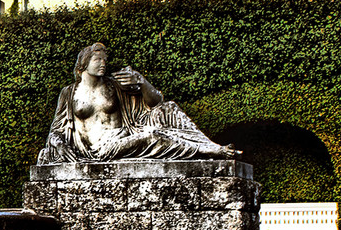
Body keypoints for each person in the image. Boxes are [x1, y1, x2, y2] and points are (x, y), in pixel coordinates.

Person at [37, 43, 238, 163]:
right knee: (153, 137)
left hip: (125, 134)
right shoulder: (69, 93)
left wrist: (142, 82)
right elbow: (56, 130)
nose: (103, 63)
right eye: (98, 59)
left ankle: (209, 145)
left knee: (170, 108)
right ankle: (211, 152)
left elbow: (155, 102)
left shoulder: (113, 86)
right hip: (100, 150)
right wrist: (59, 143)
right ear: (84, 63)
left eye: (105, 59)